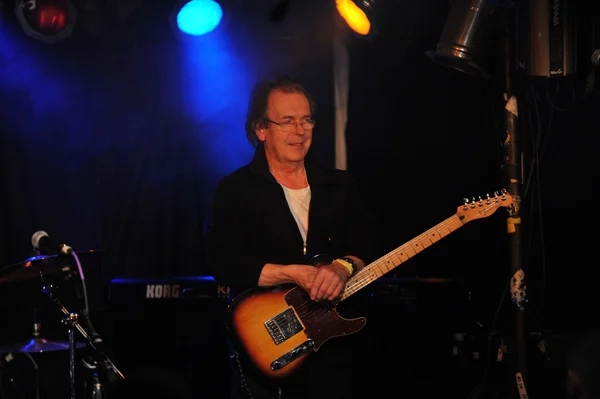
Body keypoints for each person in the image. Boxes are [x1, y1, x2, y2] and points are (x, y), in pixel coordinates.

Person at [204, 74, 376, 399]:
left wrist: (343, 267)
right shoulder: (235, 190)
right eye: (287, 121)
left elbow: (364, 246)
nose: (300, 131)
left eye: (306, 120)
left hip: (335, 348)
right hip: (269, 347)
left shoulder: (340, 186)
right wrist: (291, 273)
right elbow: (222, 262)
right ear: (261, 129)